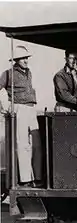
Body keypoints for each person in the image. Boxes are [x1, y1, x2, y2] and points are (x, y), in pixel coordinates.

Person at [0, 45, 42, 187]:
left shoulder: (28, 72)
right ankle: (25, 180)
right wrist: (3, 107)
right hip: (20, 109)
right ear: (16, 60)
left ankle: (37, 176)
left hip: (31, 108)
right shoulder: (8, 73)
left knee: (36, 144)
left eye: (26, 58)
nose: (25, 60)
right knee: (23, 145)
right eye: (23, 58)